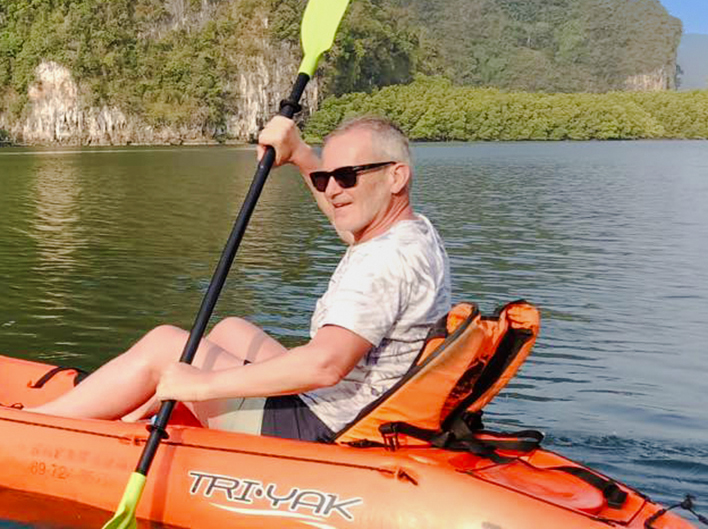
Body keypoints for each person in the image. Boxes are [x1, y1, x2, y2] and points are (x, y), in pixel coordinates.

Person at [27, 114, 450, 442]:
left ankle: (28, 426)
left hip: (323, 425)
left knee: (166, 347)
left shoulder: (383, 261)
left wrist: (202, 383)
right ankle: (136, 410)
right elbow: (345, 220)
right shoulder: (408, 233)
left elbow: (325, 365)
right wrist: (301, 154)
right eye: (327, 178)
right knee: (230, 330)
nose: (333, 189)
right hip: (353, 405)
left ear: (397, 175)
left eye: (347, 176)